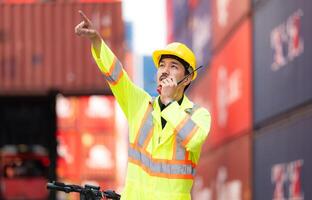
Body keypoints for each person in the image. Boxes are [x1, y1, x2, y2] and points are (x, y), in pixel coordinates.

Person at [75, 10, 211, 200]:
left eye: (174, 66)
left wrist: (169, 102)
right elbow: (116, 76)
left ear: (187, 77)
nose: (165, 71)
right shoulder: (140, 104)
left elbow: (194, 139)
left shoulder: (199, 115)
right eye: (162, 65)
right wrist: (97, 42)